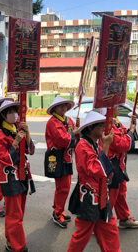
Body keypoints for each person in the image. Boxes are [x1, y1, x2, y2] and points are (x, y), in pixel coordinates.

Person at [66, 111, 119, 252]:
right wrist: (106, 146)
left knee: (110, 232)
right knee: (82, 236)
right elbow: (96, 169)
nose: (103, 127)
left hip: (101, 196)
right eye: (100, 125)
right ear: (90, 128)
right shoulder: (82, 146)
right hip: (89, 199)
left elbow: (105, 169)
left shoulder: (95, 144)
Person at [0, 100, 34, 252]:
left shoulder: (18, 128)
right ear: (3, 115)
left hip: (22, 174)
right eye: (10, 112)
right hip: (9, 177)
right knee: (14, 214)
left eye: (14, 111)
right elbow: (4, 158)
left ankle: (10, 241)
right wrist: (16, 142)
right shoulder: (0, 133)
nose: (13, 114)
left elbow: (30, 150)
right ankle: (18, 246)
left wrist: (27, 132)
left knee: (18, 212)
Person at [98, 107, 138, 229]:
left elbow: (123, 133)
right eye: (116, 106)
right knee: (112, 194)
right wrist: (130, 133)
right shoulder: (108, 125)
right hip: (112, 164)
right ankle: (103, 221)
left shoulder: (115, 122)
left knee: (121, 191)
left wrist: (131, 128)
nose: (118, 108)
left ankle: (123, 218)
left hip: (119, 163)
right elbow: (122, 144)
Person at [45, 97, 76, 228]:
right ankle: (57, 213)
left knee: (64, 187)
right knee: (62, 187)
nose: (63, 108)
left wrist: (77, 129)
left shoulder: (68, 120)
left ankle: (59, 209)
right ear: (54, 109)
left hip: (67, 157)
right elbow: (62, 140)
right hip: (57, 158)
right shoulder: (53, 122)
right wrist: (74, 133)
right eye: (60, 106)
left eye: (65, 105)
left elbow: (74, 133)